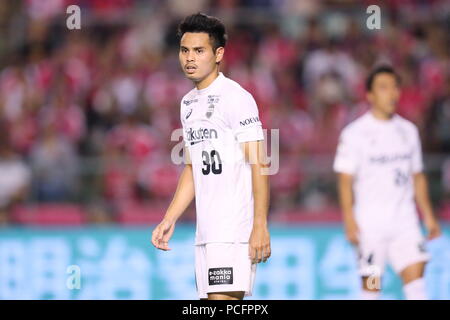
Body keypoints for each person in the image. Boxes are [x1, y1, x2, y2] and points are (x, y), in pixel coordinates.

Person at [151, 13, 271, 300]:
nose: (190, 58)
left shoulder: (235, 97)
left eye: (199, 50)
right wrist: (170, 217)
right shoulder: (188, 104)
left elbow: (261, 162)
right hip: (205, 232)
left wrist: (259, 225)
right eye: (185, 50)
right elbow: (193, 167)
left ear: (218, 54)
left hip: (232, 231)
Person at [333, 65, 442, 300]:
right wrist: (350, 221)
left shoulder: (408, 131)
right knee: (372, 288)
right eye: (384, 88)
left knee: (417, 285)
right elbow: (345, 180)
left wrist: (429, 216)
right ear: (370, 95)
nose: (391, 93)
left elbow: (417, 175)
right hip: (371, 227)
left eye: (395, 87)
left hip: (405, 223)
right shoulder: (355, 134)